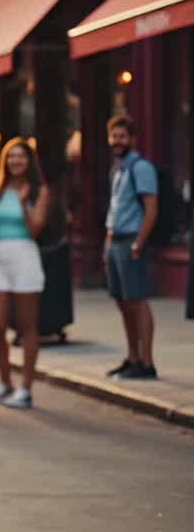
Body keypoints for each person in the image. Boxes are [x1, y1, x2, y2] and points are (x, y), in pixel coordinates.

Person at [0, 138, 50, 409]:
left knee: (27, 325)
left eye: (20, 157)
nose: (15, 161)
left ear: (29, 161)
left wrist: (22, 205)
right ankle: (4, 381)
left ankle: (26, 388)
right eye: (11, 157)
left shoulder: (38, 191)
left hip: (24, 255)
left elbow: (35, 230)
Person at [102, 115, 159, 380]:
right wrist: (107, 243)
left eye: (122, 136)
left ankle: (147, 363)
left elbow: (151, 209)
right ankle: (132, 357)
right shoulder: (118, 169)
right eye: (114, 136)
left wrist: (139, 242)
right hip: (114, 242)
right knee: (123, 302)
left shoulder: (141, 167)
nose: (117, 141)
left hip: (131, 241)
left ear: (132, 139)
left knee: (137, 301)